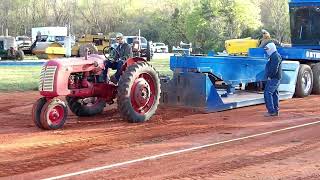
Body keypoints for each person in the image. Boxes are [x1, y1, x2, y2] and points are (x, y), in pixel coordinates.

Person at [263, 42, 282, 117]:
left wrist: (270, 76)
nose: (267, 51)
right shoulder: (274, 56)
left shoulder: (275, 56)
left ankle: (271, 111)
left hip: (274, 78)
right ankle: (275, 110)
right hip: (276, 77)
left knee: (268, 93)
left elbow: (274, 68)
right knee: (274, 93)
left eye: (267, 49)